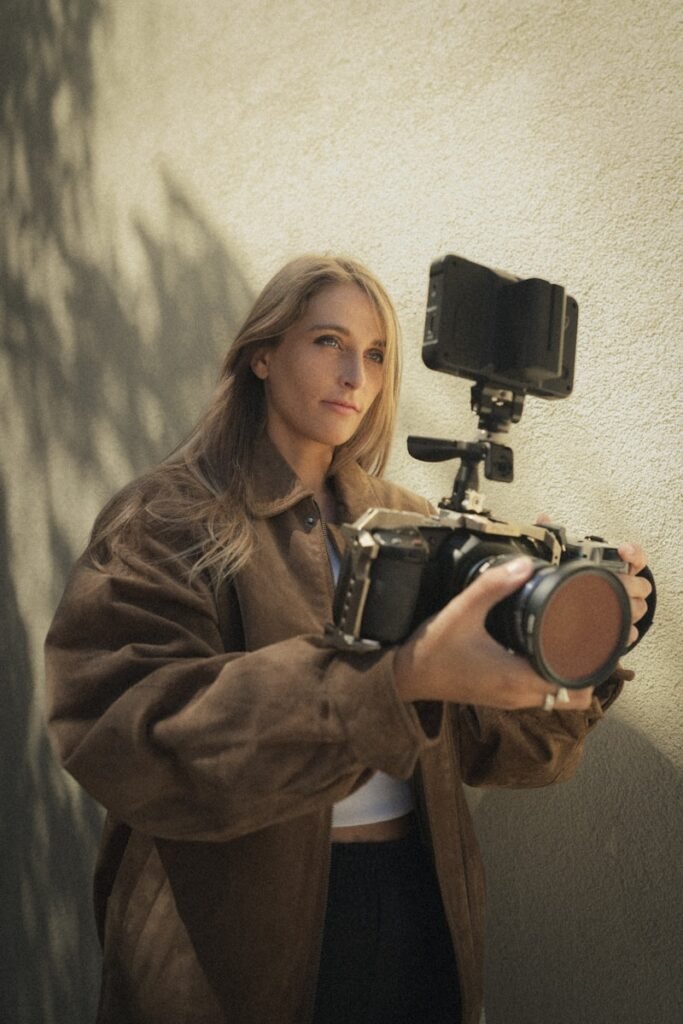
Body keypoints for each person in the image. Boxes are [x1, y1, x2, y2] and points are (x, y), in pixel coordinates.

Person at [45, 255, 653, 1024]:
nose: (352, 374)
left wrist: (575, 649)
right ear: (262, 354)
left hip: (413, 903)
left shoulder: (408, 523)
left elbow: (501, 754)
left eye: (373, 354)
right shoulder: (166, 517)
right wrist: (390, 682)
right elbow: (128, 733)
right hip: (233, 934)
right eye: (327, 341)